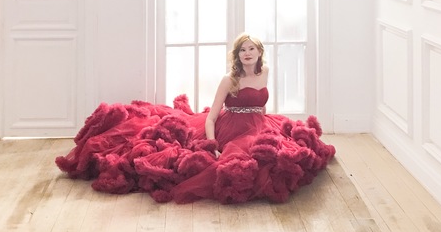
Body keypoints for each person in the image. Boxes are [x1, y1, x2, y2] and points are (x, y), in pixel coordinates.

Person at [55, 33, 335, 204]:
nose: (247, 53)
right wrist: (212, 145)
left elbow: (260, 104)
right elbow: (211, 117)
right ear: (237, 55)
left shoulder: (265, 72)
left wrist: (266, 125)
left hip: (258, 124)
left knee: (280, 156)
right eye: (242, 50)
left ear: (260, 52)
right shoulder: (230, 79)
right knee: (233, 163)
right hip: (229, 127)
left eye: (252, 49)